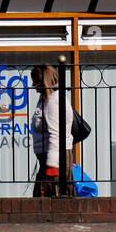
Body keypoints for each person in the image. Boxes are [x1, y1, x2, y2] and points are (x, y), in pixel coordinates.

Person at [30, 64, 74, 198]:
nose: (33, 85)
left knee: (50, 196)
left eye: (35, 80)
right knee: (45, 196)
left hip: (54, 157)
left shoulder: (54, 101)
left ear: (44, 81)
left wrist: (52, 164)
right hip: (48, 157)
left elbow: (56, 134)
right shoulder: (45, 99)